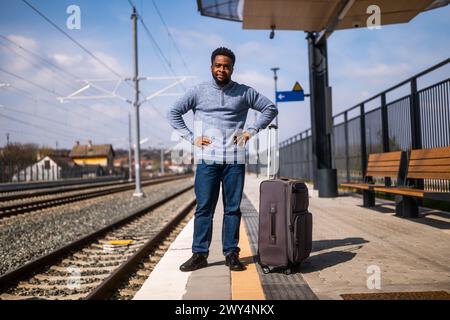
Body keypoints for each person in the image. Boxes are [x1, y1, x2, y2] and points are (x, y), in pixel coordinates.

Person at [167, 47, 278, 272]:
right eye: (218, 65)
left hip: (234, 162)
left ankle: (231, 253)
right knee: (204, 209)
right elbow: (173, 112)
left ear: (232, 69)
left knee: (232, 209)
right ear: (211, 67)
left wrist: (251, 131)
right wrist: (191, 138)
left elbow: (270, 108)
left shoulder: (244, 92)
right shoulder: (198, 91)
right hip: (208, 161)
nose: (221, 69)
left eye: (226, 66)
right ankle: (199, 255)